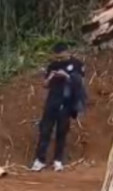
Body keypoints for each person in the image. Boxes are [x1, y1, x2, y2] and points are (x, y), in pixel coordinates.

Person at [31, 43, 86, 172]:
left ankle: (58, 160)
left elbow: (80, 83)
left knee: (62, 131)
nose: (59, 59)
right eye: (57, 57)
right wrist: (51, 77)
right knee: (45, 130)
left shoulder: (77, 64)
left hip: (66, 102)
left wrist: (66, 76)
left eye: (61, 57)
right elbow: (45, 84)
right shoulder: (53, 65)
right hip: (52, 101)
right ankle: (40, 159)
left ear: (67, 52)